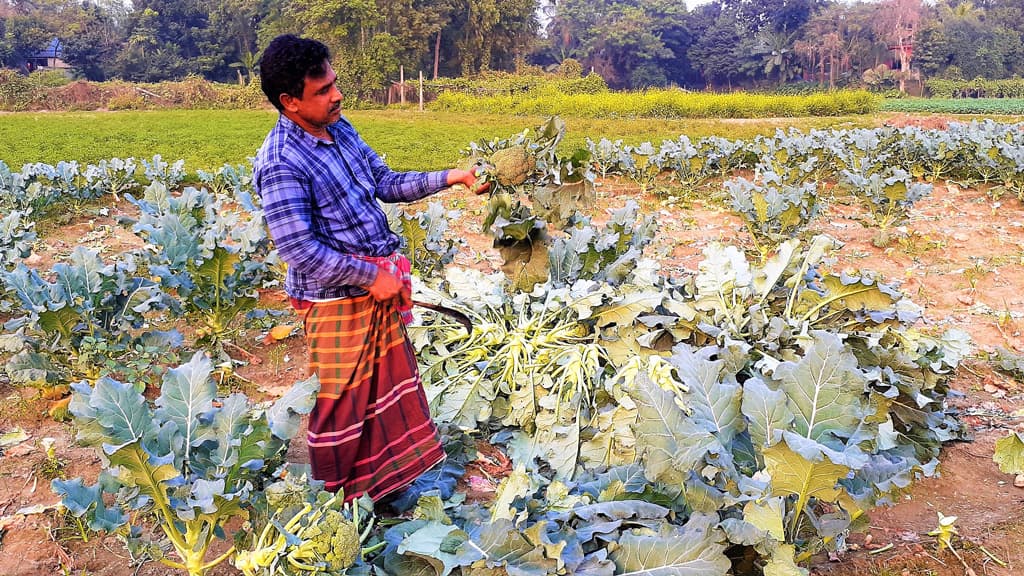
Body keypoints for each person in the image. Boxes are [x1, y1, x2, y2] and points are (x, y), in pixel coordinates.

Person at [253, 34, 484, 502]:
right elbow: (299, 250)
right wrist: (371, 276)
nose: (337, 95)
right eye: (322, 91)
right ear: (290, 102)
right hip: (335, 299)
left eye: (334, 84)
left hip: (376, 286)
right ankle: (331, 499)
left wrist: (451, 178)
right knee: (343, 405)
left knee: (384, 397)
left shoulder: (340, 128)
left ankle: (381, 491)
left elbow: (384, 181)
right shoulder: (280, 161)